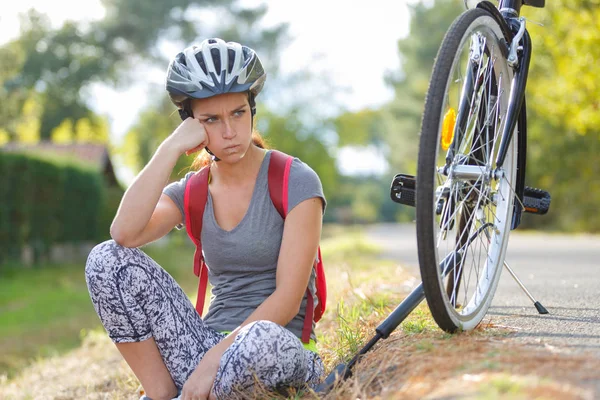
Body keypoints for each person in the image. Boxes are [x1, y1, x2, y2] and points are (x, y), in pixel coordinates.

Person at [84, 38, 326, 400]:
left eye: (238, 113)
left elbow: (288, 299)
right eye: (211, 119)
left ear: (252, 109)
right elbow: (124, 233)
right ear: (192, 125)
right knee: (105, 260)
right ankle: (162, 394)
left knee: (255, 342)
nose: (229, 132)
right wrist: (170, 148)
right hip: (204, 347)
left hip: (273, 348)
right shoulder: (193, 190)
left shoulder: (296, 180)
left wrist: (214, 360)